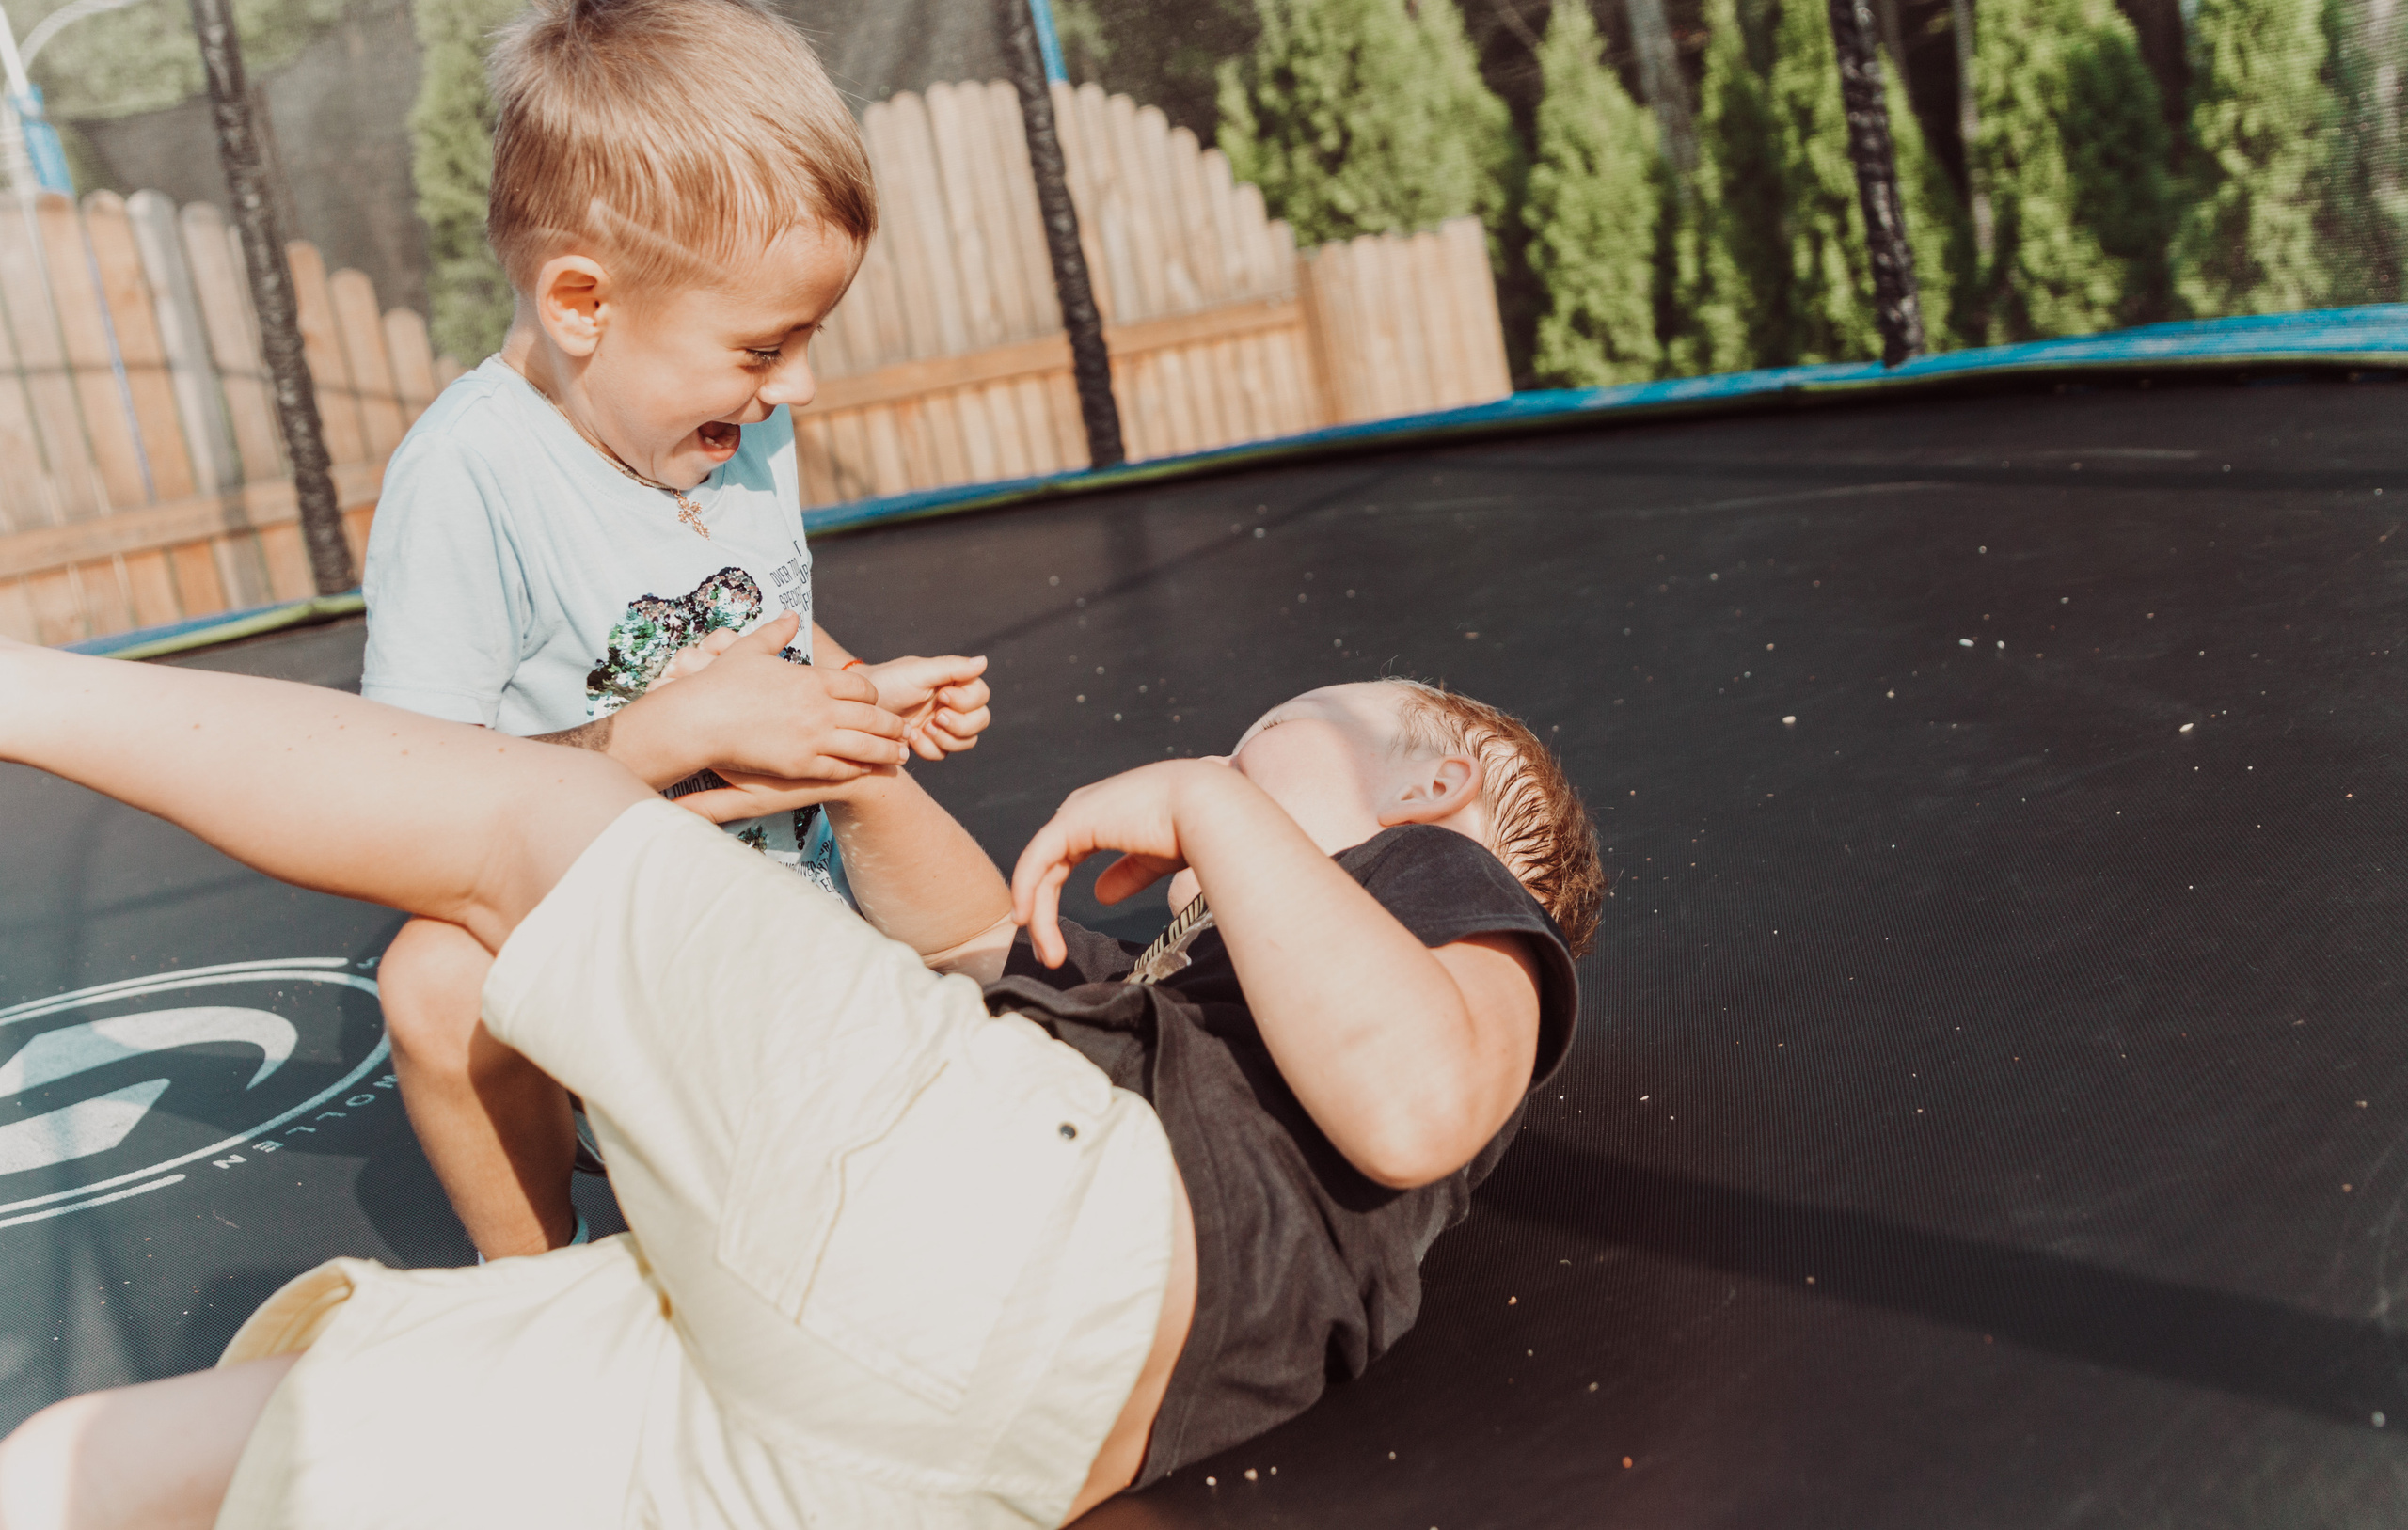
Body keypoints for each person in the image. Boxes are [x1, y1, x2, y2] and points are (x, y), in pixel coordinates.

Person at [0, 638, 1601, 1530]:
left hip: (1021, 1253)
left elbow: (1413, 1105)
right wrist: (861, 773)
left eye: (1268, 738)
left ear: (1435, 786)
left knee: (514, 833)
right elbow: (983, 957)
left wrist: (1210, 799)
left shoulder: (1446, 899)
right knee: (187, 1454)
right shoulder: (1201, 1015)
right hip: (934, 1443)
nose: (1223, 765)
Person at [356, 0, 992, 1261]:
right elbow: (405, 805)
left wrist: (857, 691)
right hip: (618, 973)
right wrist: (666, 730)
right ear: (583, 305)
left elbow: (756, 635)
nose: (795, 389)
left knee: (1003, 991)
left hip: (797, 928)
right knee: (434, 978)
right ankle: (533, 1282)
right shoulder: (471, 480)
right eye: (765, 348)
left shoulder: (723, 428)